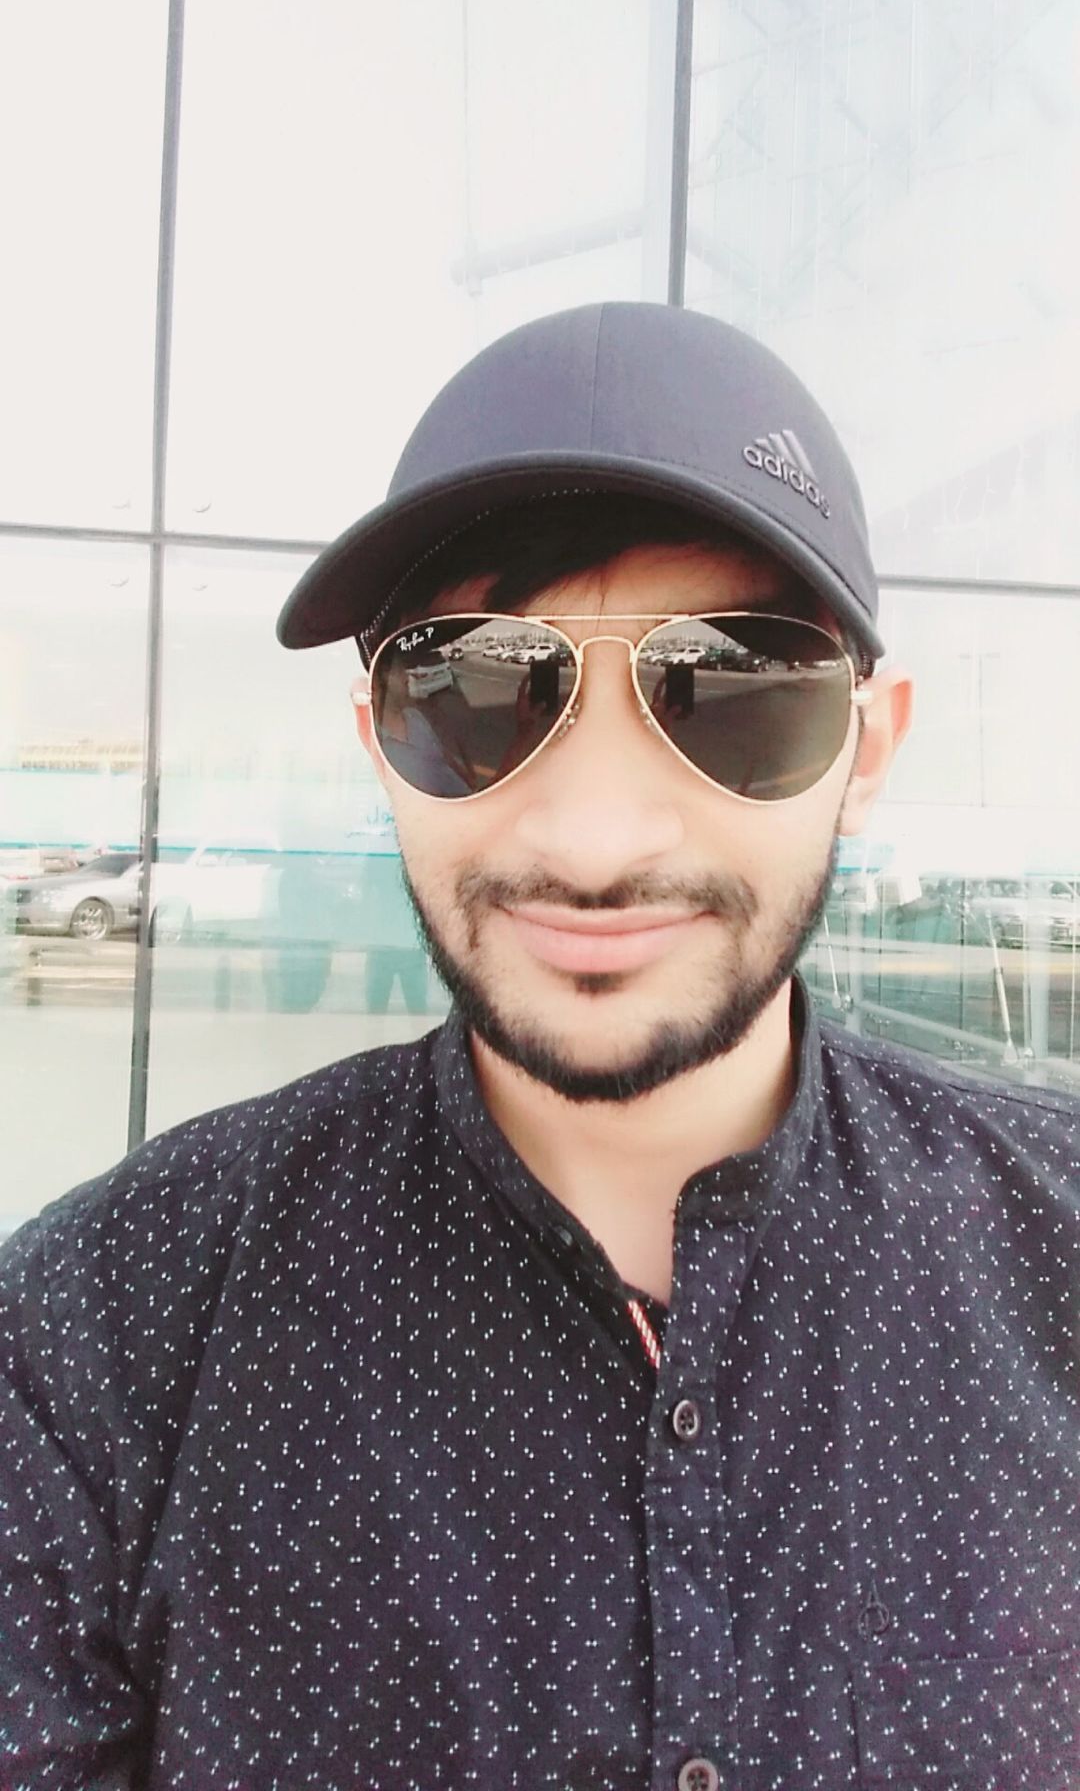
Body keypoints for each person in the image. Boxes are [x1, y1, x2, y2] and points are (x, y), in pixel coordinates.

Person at [2, 302, 1079, 1791]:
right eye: (481, 690)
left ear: (868, 750)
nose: (594, 843)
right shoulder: (100, 1331)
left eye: (735, 688)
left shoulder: (1056, 1259)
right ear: (378, 742)